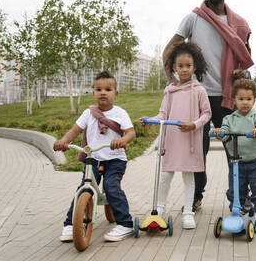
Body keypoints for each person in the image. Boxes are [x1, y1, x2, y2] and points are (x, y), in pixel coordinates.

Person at [163, 0, 254, 211]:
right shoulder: (194, 18)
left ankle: (240, 197)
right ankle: (196, 197)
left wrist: (242, 73)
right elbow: (171, 47)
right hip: (197, 95)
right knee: (197, 151)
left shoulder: (240, 24)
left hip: (227, 95)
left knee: (234, 148)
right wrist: (171, 79)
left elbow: (244, 60)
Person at [54, 71, 136, 242]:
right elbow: (74, 131)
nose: (103, 92)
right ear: (93, 93)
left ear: (116, 93)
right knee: (83, 188)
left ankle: (126, 224)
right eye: (98, 89)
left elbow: (131, 134)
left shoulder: (120, 113)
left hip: (115, 159)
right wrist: (63, 142)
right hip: (94, 159)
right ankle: (70, 224)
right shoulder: (88, 113)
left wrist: (121, 140)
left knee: (111, 186)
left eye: (108, 89)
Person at [141, 41, 211, 229]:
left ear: (194, 66)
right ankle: (160, 208)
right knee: (165, 176)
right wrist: (151, 120)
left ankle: (188, 211)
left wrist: (194, 125)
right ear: (174, 67)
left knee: (189, 177)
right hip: (172, 140)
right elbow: (163, 114)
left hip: (190, 139)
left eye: (188, 66)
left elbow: (207, 114)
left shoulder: (199, 90)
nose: (185, 70)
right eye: (180, 66)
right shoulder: (169, 91)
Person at [212, 75, 256, 233]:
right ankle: (238, 211)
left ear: (254, 100)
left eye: (249, 99)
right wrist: (219, 132)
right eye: (241, 98)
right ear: (234, 100)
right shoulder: (229, 119)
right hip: (236, 162)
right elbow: (224, 133)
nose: (245, 102)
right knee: (235, 190)